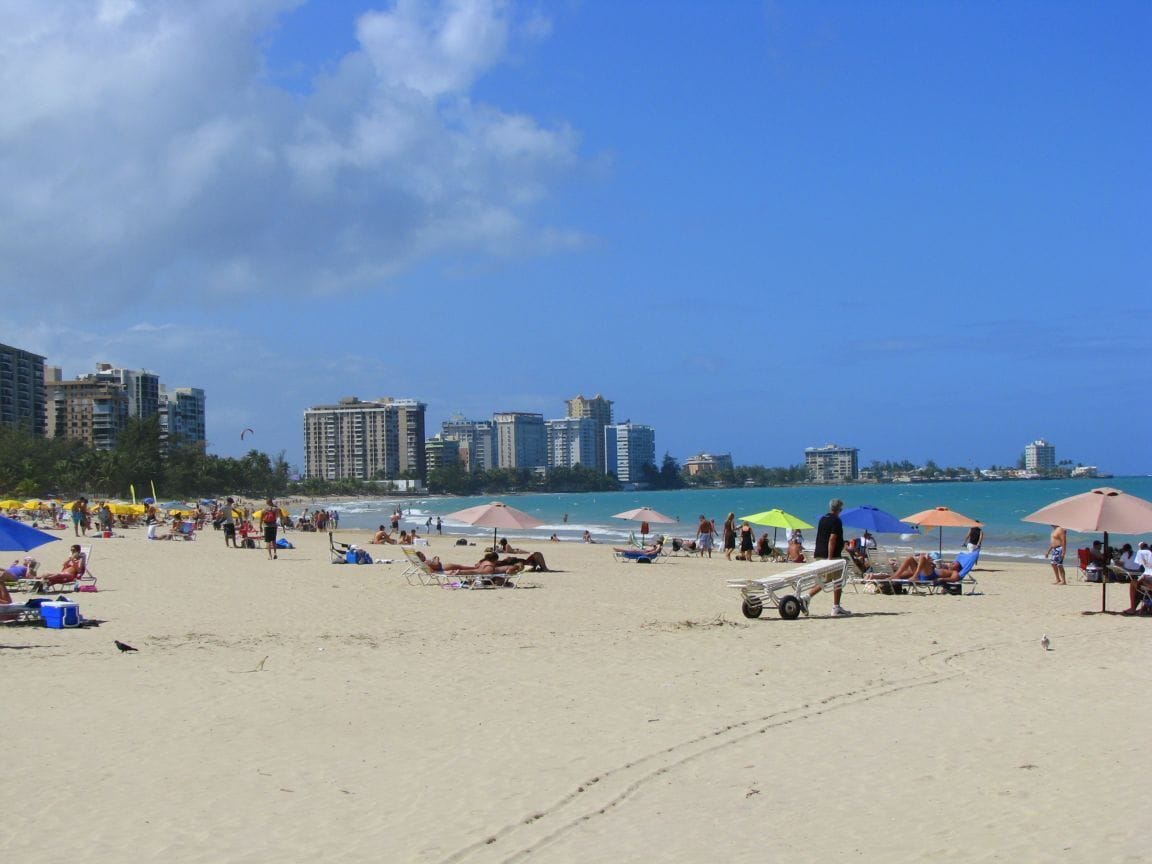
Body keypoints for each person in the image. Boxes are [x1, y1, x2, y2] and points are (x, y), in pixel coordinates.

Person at [801, 498, 850, 617]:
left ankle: (807, 598)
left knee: (825, 579)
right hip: (831, 556)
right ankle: (835, 607)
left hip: (819, 552)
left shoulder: (823, 519)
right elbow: (832, 539)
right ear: (839, 509)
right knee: (838, 580)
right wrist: (829, 557)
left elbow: (822, 536)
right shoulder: (836, 520)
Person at [1120, 542, 1152, 615]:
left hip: (1149, 586)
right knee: (1136, 584)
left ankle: (1133, 608)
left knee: (1136, 585)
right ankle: (1141, 607)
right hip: (1148, 585)